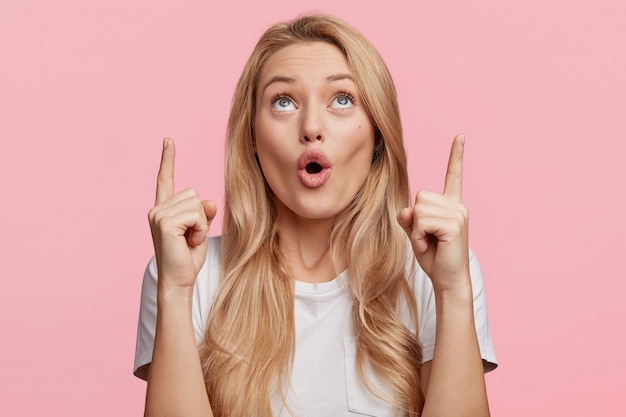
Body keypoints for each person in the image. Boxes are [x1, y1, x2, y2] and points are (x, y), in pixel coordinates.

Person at [134, 14, 497, 417]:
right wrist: (174, 290)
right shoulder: (190, 275)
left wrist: (452, 290)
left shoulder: (435, 273)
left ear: (377, 133)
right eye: (283, 101)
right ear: (251, 137)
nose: (311, 127)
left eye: (342, 99)